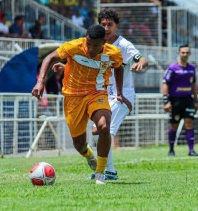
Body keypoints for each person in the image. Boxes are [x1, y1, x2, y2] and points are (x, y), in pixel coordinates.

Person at [53, 9, 148, 180]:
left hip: (121, 95)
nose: (106, 27)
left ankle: (106, 171)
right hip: (101, 91)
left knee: (104, 129)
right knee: (97, 131)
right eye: (103, 24)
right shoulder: (92, 43)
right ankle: (101, 166)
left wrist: (140, 63)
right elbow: (82, 65)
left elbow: (139, 58)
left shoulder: (123, 45)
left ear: (116, 26)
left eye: (109, 24)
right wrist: (66, 67)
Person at [32, 24, 131, 184]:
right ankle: (88, 155)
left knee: (104, 126)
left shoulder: (113, 53)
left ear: (103, 42)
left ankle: (100, 173)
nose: (90, 48)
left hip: (97, 93)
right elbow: (49, 58)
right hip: (73, 97)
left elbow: (118, 68)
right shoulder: (74, 46)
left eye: (95, 45)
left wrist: (119, 92)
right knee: (79, 144)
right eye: (88, 43)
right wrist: (40, 82)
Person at [162, 44, 198, 157]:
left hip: (188, 100)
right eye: (183, 52)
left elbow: (194, 85)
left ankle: (191, 150)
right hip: (175, 101)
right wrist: (166, 101)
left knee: (189, 123)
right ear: (178, 53)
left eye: (187, 52)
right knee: (174, 125)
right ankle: (171, 150)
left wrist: (196, 100)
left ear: (189, 54)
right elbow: (165, 84)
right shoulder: (172, 68)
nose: (185, 54)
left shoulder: (192, 68)